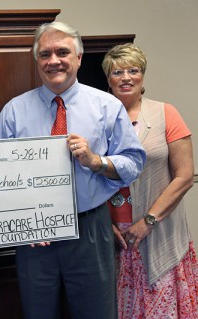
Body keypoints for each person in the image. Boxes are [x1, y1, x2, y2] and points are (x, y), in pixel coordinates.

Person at [0, 22, 146, 319]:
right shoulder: (14, 110)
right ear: (37, 61)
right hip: (34, 233)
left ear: (79, 58)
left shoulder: (106, 106)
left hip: (90, 228)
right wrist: (20, 219)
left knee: (96, 312)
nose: (54, 60)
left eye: (62, 52)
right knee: (38, 312)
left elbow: (134, 161)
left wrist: (96, 161)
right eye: (45, 54)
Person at [102, 43, 198, 319]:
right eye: (117, 72)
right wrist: (105, 223)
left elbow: (184, 176)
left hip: (159, 229)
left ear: (143, 76)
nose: (126, 77)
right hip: (116, 238)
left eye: (134, 70)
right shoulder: (99, 118)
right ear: (108, 79)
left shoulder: (166, 113)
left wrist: (149, 220)